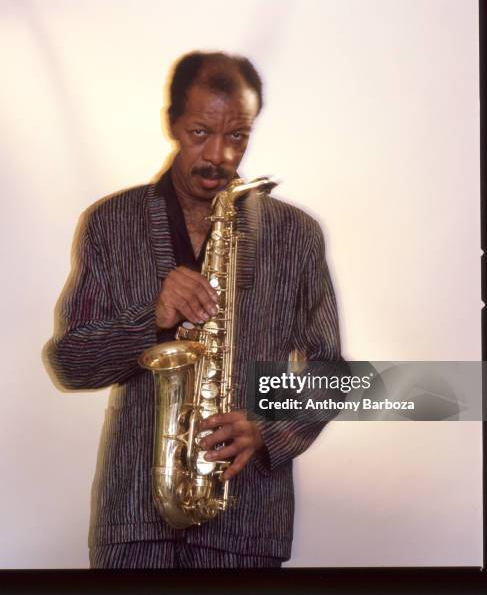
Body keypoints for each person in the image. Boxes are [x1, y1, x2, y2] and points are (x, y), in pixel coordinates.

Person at [44, 51, 344, 569]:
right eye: (201, 132)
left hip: (248, 527)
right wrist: (150, 319)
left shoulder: (295, 234)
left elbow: (334, 374)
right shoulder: (110, 223)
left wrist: (266, 424)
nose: (220, 156)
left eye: (238, 136)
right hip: (135, 525)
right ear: (172, 123)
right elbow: (69, 363)